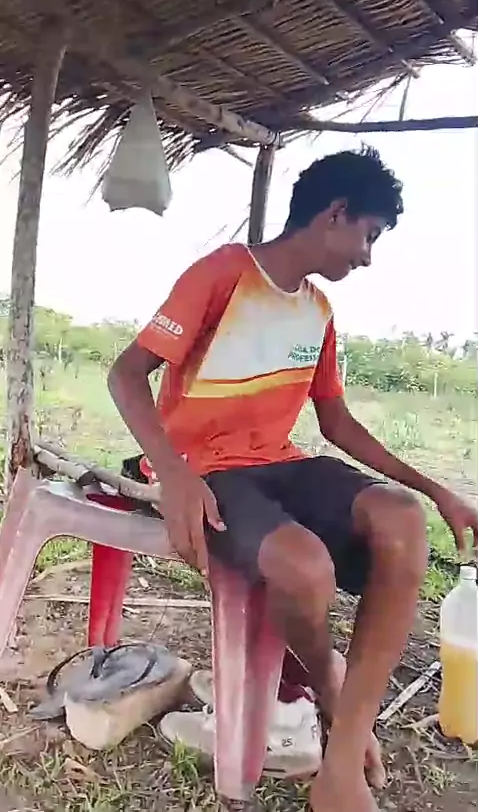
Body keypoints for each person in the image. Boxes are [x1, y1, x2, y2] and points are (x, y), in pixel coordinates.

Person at [108, 147, 478, 812]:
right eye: (369, 234)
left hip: (281, 464)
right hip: (207, 470)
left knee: (400, 517)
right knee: (305, 568)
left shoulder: (319, 310)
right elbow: (126, 374)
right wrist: (174, 475)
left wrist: (435, 489)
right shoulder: (224, 273)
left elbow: (335, 422)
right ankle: (331, 688)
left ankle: (342, 760)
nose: (368, 256)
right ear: (335, 213)